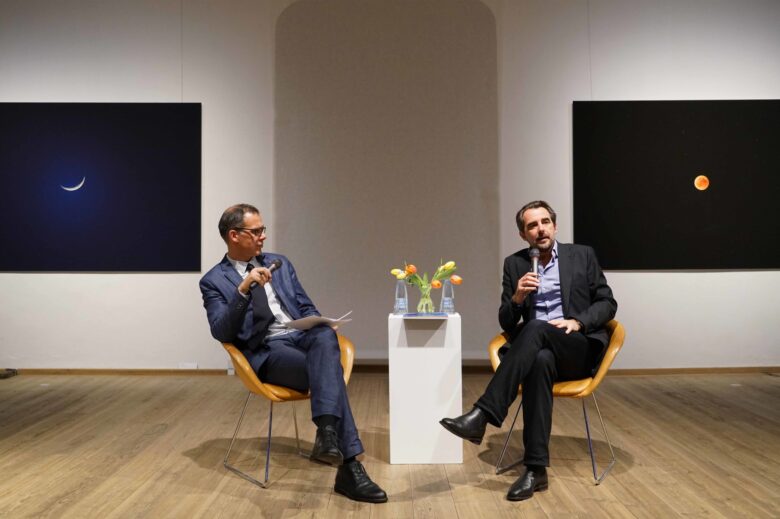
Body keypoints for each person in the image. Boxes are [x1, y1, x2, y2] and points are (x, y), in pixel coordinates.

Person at [200, 203, 387, 504]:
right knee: (330, 371)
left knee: (325, 335)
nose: (263, 236)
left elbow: (305, 305)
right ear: (234, 235)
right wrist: (243, 290)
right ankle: (349, 466)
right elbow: (221, 331)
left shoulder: (280, 263)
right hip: (268, 350)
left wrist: (317, 321)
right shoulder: (213, 281)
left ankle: (327, 433)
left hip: (301, 335)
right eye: (256, 231)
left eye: (263, 230)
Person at [440, 200, 617, 501]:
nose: (540, 229)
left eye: (545, 222)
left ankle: (483, 414)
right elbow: (507, 322)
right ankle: (535, 470)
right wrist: (518, 298)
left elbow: (607, 303)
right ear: (524, 235)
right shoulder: (515, 264)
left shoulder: (581, 255)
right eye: (532, 225)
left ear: (555, 226)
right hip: (538, 353)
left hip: (576, 347)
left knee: (535, 328)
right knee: (540, 359)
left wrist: (577, 321)